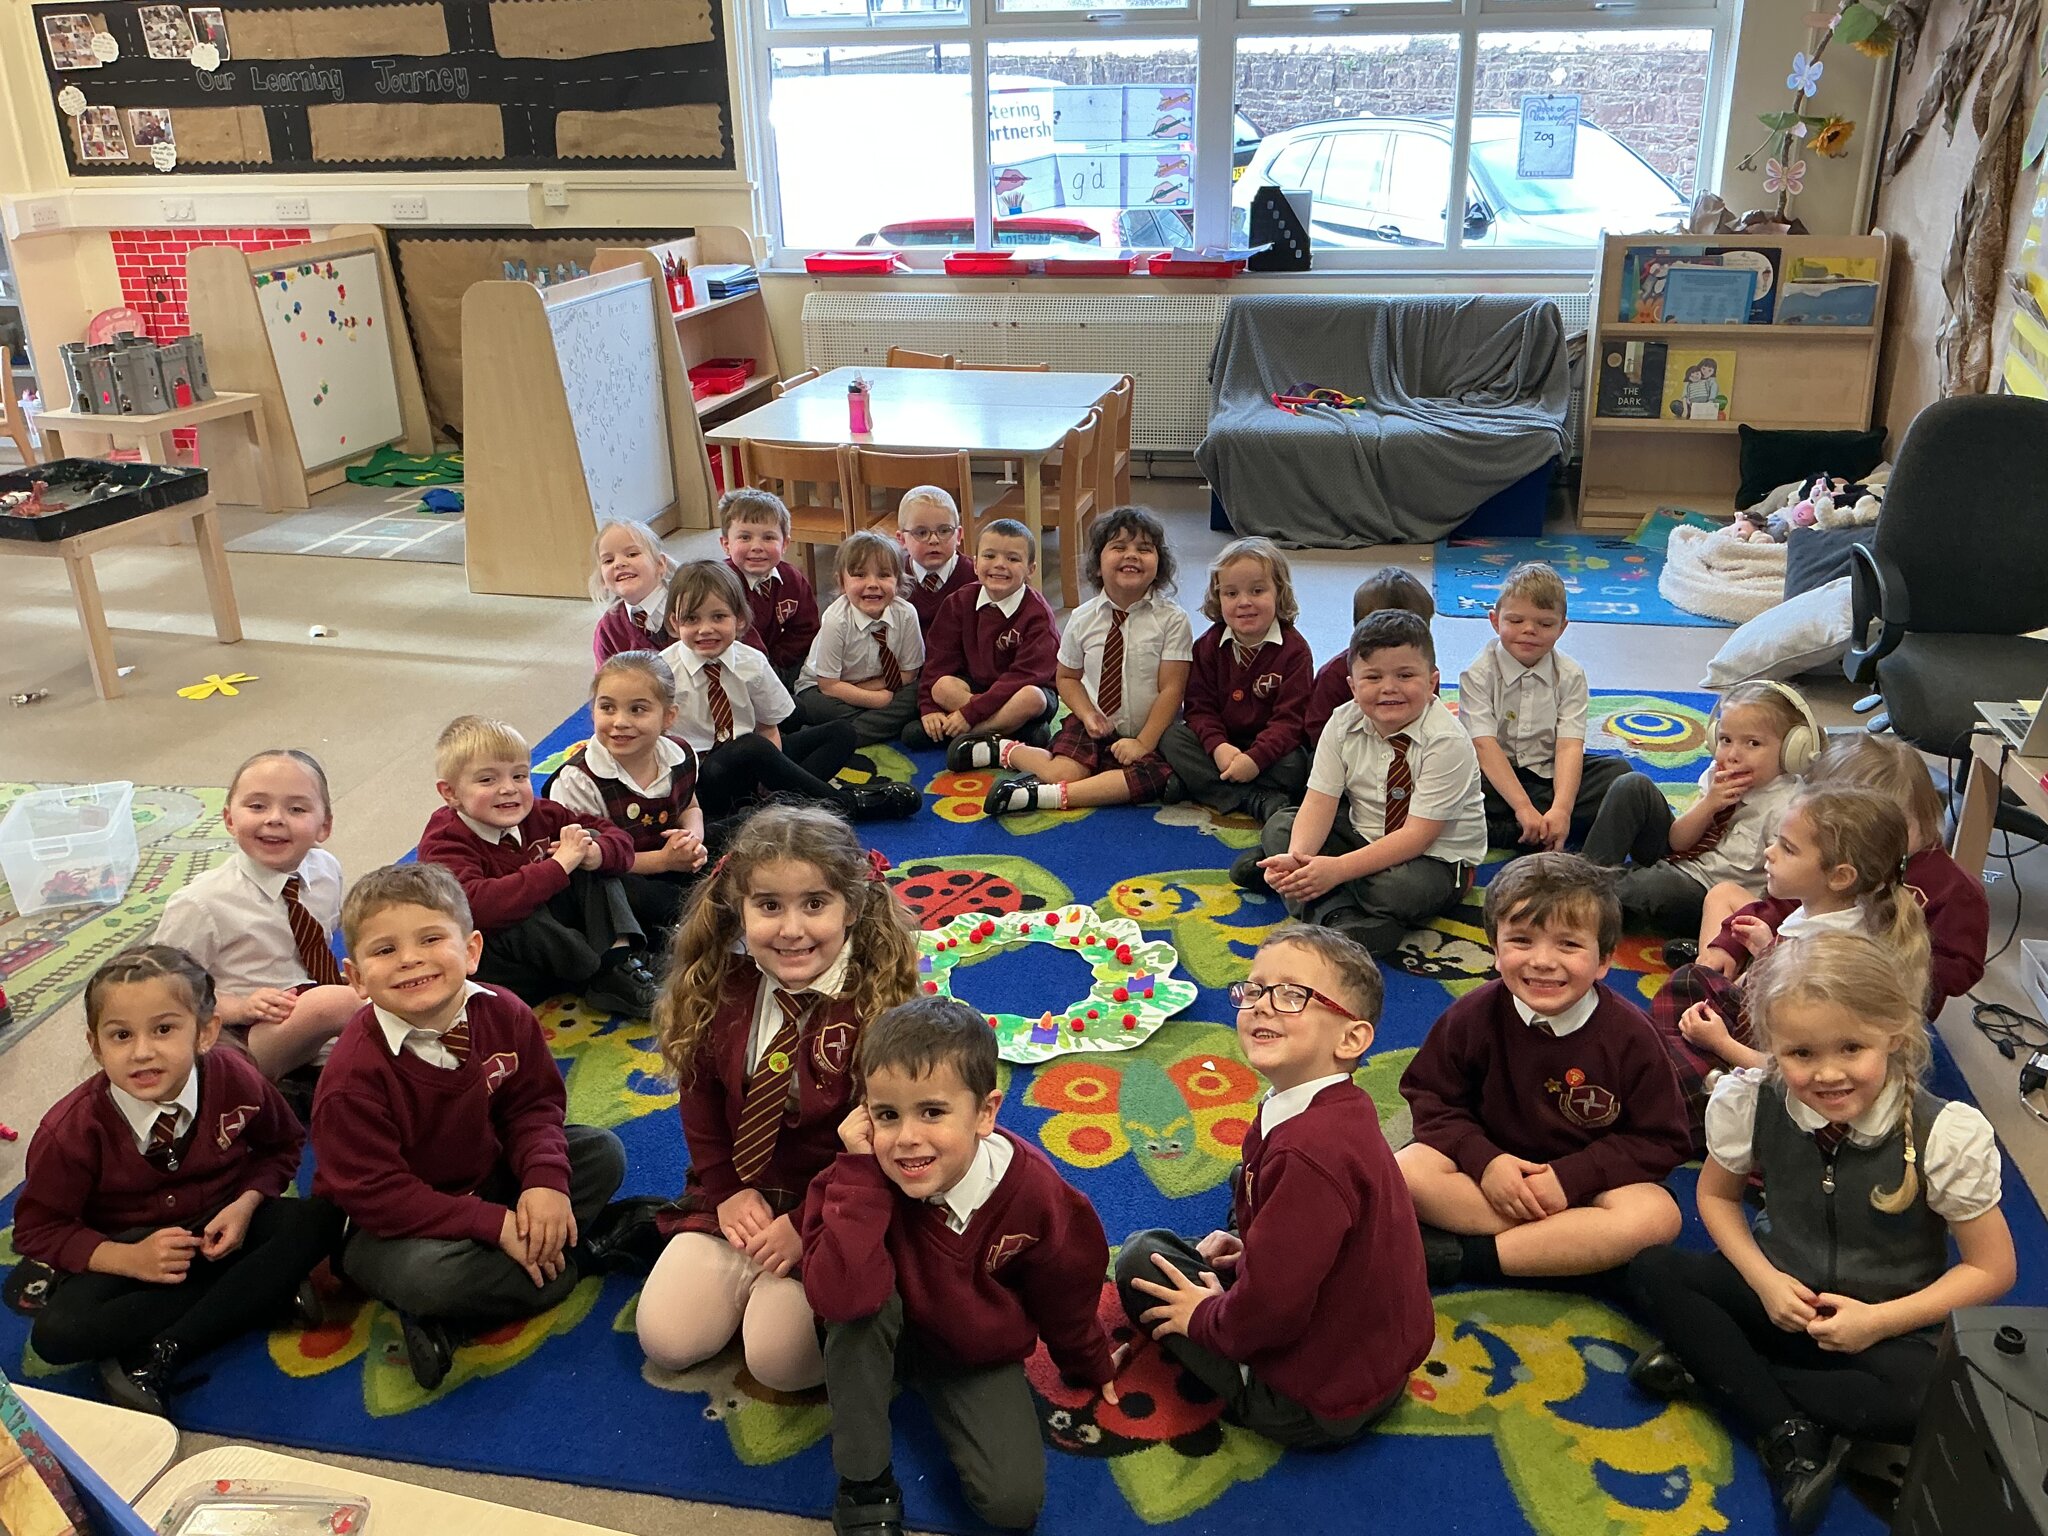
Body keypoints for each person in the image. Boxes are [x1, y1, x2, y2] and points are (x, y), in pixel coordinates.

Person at [1628, 933, 2015, 1531]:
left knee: (1923, 1402)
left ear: (1894, 1033)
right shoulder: (1753, 1099)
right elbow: (1715, 1196)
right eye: (1801, 1054)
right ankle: (1783, 1420)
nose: (1828, 1074)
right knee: (1652, 1267)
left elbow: (1992, 1268)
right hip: (1778, 1299)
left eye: (1852, 1047)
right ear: (1772, 1048)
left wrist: (1876, 1322)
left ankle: (1733, 1383)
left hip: (1887, 1329)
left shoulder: (1944, 1134)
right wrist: (1764, 1281)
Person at [803, 996, 1116, 1535]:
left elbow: (1066, 1288)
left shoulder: (1036, 1194)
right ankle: (864, 1484)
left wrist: (1090, 1358)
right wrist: (858, 1174)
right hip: (879, 1328)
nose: (906, 1139)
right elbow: (839, 1300)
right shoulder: (853, 1178)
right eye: (886, 1114)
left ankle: (926, 1387)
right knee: (859, 1315)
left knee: (1013, 1506)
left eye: (932, 1112)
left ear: (986, 1113)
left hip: (972, 1354)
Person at [313, 863, 629, 1391]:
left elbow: (532, 1107)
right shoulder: (352, 1078)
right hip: (389, 1228)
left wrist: (544, 1182)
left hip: (487, 1174)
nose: (410, 959)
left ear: (473, 950)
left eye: (431, 938)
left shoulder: (504, 1012)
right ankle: (586, 1256)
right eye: (385, 950)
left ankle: (493, 1288)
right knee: (432, 1278)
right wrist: (494, 1225)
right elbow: (379, 1196)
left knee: (602, 1154)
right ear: (356, 978)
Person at [637, 805, 918, 1393]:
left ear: (853, 906)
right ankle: (745, 1277)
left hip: (839, 1200)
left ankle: (785, 1290)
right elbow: (700, 1101)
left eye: (814, 904)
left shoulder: (881, 1006)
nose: (791, 930)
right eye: (769, 906)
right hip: (742, 1192)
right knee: (667, 1340)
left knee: (781, 1365)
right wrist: (725, 1191)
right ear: (737, 908)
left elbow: (888, 1149)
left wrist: (804, 1224)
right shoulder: (722, 984)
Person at [1116, 925, 1431, 1447]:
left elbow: (1274, 1311)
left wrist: (1207, 1318)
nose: (1261, 1006)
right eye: (1255, 990)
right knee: (1245, 1183)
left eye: (1292, 995)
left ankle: (1248, 1383)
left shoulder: (1307, 1151)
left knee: (1139, 1260)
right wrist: (1254, 1248)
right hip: (1373, 1356)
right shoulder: (1332, 1108)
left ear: (1351, 1038)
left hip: (1312, 1403)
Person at [13, 946, 341, 1417]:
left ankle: (163, 1349)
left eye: (164, 1029)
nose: (142, 1052)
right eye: (121, 1035)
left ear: (205, 1032)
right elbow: (39, 1230)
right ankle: (256, 1297)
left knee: (324, 1217)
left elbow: (282, 1146)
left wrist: (245, 1206)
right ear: (95, 1045)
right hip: (128, 1248)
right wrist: (130, 1259)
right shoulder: (70, 1131)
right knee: (56, 1333)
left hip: (225, 1227)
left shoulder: (235, 1076)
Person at [1398, 853, 1692, 1285]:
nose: (1542, 960)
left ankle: (1467, 1257)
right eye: (1521, 941)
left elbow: (1661, 1140)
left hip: (1590, 1186)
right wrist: (1487, 1162)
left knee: (1657, 1216)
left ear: (1605, 960)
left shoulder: (1632, 1036)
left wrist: (1572, 1178)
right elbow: (1430, 1097)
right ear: (1495, 950)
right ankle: (1561, 1248)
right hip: (1489, 1172)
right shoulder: (1472, 1015)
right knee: (1406, 1170)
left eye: (1569, 945)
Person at [1654, 786, 1930, 1147]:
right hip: (1762, 1030)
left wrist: (1721, 1044)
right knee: (1691, 980)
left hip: (1782, 1078)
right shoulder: (1822, 912)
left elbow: (1793, 1066)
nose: (1769, 853)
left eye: (1788, 848)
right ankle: (1684, 1075)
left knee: (1660, 1065)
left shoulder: (1837, 963)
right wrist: (1769, 949)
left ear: (1840, 877)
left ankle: (1701, 1094)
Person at [1241, 609, 1486, 957]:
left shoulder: (1447, 741)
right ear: (1353, 687)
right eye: (1373, 677)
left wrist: (1337, 869)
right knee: (1283, 826)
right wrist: (1299, 858)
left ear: (1432, 683)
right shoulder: (1342, 723)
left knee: (1401, 890)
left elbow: (1418, 836)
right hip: (1363, 834)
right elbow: (1319, 802)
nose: (1389, 688)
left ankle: (1312, 894)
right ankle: (1345, 918)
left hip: (1433, 859)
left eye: (1405, 675)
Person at [1684, 733, 1987, 1008]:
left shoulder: (1955, 889)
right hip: (1791, 955)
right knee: (1723, 895)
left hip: (1857, 1001)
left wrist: (1896, 961)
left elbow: (1963, 969)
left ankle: (1729, 1004)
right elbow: (1782, 905)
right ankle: (1718, 977)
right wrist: (1728, 947)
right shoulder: (1832, 863)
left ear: (1924, 814)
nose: (1871, 846)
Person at [416, 714, 661, 1018]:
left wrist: (596, 853)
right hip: (504, 962)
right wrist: (557, 867)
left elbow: (617, 839)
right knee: (517, 911)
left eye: (519, 776)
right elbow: (475, 908)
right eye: (487, 780)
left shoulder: (540, 814)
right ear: (450, 793)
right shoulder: (444, 841)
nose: (509, 789)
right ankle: (601, 973)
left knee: (588, 840)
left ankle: (617, 961)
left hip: (559, 946)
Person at [962, 506, 1193, 815]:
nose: (1132, 555)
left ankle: (1039, 796)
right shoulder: (1083, 618)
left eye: (1144, 549)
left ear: (1159, 563)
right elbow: (1067, 677)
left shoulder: (1173, 620)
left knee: (1156, 778)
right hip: (1094, 722)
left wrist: (1143, 743)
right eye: (1119, 547)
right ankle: (1003, 749)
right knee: (1064, 771)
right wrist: (1086, 714)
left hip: (1151, 729)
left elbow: (1172, 690)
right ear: (1097, 564)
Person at [661, 560, 917, 825]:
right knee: (750, 746)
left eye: (718, 617)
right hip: (702, 777)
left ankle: (778, 807)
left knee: (841, 732)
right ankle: (846, 804)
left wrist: (770, 776)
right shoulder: (664, 671)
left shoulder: (752, 662)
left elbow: (768, 728)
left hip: (754, 764)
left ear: (738, 619)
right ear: (674, 622)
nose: (705, 629)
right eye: (692, 619)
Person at [155, 748, 359, 1078]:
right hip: (242, 1036)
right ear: (229, 820)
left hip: (304, 1011)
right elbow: (164, 990)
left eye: (296, 808)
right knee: (339, 1004)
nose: (274, 818)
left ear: (325, 826)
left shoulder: (326, 871)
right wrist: (240, 1006)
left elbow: (324, 938)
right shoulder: (200, 902)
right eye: (257, 806)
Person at [1579, 680, 1814, 937]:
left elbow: (1781, 893)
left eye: (1753, 743)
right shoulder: (1718, 774)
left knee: (1652, 886)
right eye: (1725, 739)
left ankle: (1582, 898)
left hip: (1706, 893)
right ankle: (1582, 878)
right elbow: (1678, 842)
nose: (1733, 754)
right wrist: (1709, 804)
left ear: (1793, 750)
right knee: (1632, 785)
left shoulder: (1789, 808)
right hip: (1684, 858)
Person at [1458, 562, 1632, 852]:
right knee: (1447, 785)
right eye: (1515, 621)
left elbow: (1569, 746)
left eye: (1545, 624)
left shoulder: (1571, 674)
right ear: (1494, 620)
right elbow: (1484, 746)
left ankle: (1528, 829)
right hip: (1492, 778)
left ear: (1562, 628)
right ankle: (1530, 826)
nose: (1529, 631)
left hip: (1547, 776)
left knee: (1619, 775)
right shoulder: (1478, 673)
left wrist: (1562, 809)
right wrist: (1523, 807)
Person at [544, 650, 708, 938]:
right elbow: (584, 858)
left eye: (637, 710)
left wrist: (692, 838)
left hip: (665, 855)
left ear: (668, 716)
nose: (620, 721)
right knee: (637, 896)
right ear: (593, 710)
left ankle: (697, 907)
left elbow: (689, 805)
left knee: (739, 835)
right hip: (612, 873)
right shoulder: (578, 781)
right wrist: (665, 861)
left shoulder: (680, 753)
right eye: (607, 708)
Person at [1157, 536, 1313, 826]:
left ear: (1279, 593)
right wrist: (1218, 747)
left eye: (1257, 591)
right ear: (1218, 598)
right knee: (1172, 739)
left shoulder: (1295, 651)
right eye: (1231, 594)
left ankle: (1201, 786)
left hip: (1270, 750)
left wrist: (1256, 759)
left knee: (1296, 764)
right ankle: (1253, 799)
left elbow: (1291, 721)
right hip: (1222, 745)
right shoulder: (1208, 646)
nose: (1244, 603)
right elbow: (1199, 709)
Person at [910, 517, 1059, 753]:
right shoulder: (959, 602)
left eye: (1013, 558)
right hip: (975, 687)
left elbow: (1024, 677)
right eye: (990, 556)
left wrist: (969, 716)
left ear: (1031, 569)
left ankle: (972, 734)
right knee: (941, 687)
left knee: (1032, 698)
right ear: (976, 564)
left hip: (1021, 692)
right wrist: (929, 707)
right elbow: (938, 660)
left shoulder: (1037, 614)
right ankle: (1007, 733)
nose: (1000, 564)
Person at [796, 532, 925, 746]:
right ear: (841, 582)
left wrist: (873, 690)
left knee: (919, 691)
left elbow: (909, 673)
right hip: (827, 688)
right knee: (813, 705)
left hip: (884, 683)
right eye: (860, 575)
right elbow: (828, 685)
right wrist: (875, 700)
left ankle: (841, 734)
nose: (872, 584)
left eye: (884, 575)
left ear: (899, 581)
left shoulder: (906, 613)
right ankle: (870, 729)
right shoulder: (836, 619)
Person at [1303, 569, 1434, 747]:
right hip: (1348, 753)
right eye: (1374, 677)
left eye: (1405, 675)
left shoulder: (1424, 670)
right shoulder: (1333, 674)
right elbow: (1316, 730)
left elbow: (1432, 716)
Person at [721, 488, 821, 688]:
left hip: (780, 662)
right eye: (745, 537)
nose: (757, 546)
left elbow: (806, 629)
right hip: (736, 666)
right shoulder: (720, 584)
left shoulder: (793, 580)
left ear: (785, 544)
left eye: (768, 538)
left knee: (815, 678)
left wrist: (777, 659)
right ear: (726, 544)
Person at [591, 518, 678, 666]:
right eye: (608, 560)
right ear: (603, 580)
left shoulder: (689, 606)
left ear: (660, 564)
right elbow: (605, 682)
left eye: (632, 554)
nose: (619, 563)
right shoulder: (608, 629)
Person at [896, 485, 977, 637]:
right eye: (921, 532)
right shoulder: (893, 576)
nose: (934, 540)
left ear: (958, 535)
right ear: (902, 539)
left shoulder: (975, 577)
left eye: (944, 530)